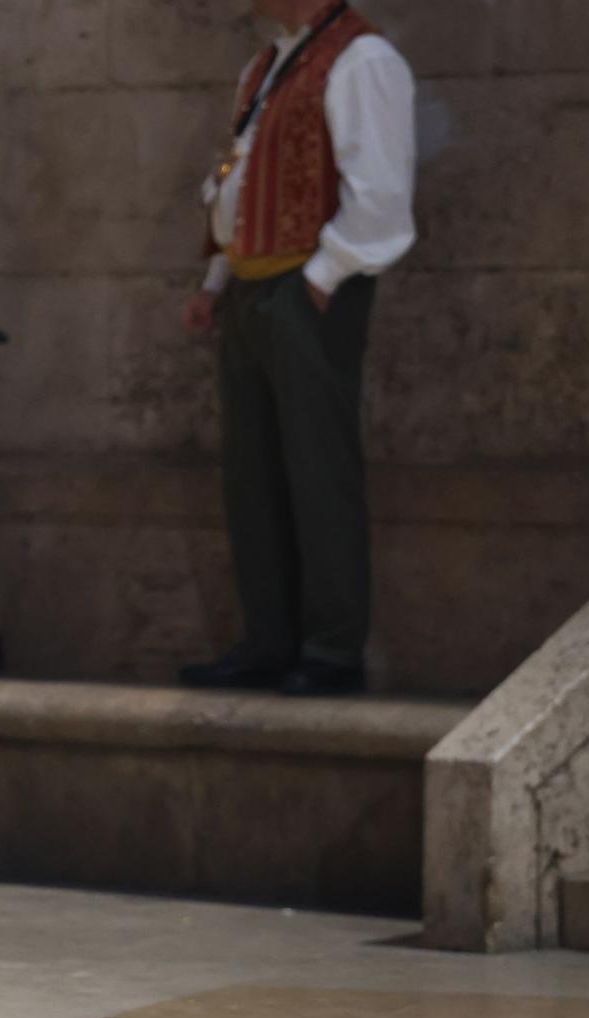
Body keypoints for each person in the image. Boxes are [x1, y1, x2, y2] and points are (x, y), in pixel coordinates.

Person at [180, 0, 416, 696]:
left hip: (309, 287)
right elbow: (240, 185)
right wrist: (216, 281)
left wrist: (319, 279)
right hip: (254, 288)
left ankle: (332, 650)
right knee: (252, 475)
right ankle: (268, 638)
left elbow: (380, 194)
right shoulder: (267, 66)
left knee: (319, 469)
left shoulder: (361, 59)